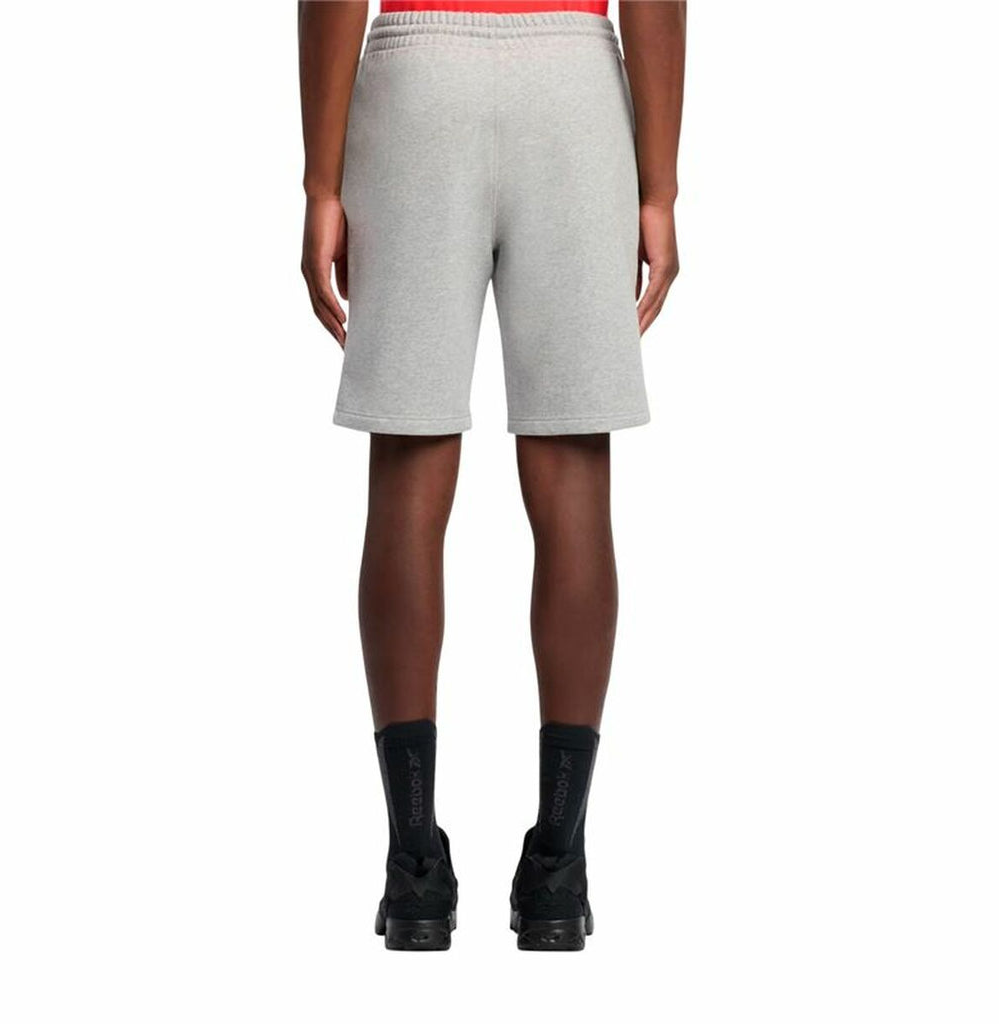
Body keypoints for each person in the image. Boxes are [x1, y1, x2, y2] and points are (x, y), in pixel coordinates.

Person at [298, 0, 685, 951]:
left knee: (409, 466)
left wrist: (320, 180)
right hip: (574, 87)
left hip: (417, 79)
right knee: (572, 472)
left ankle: (413, 870)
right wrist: (660, 188)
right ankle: (559, 865)